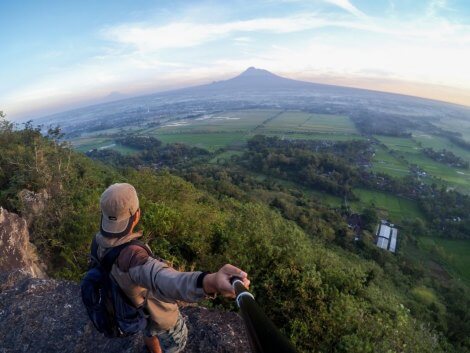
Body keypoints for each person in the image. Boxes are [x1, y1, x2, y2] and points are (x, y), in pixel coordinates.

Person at [93, 183, 250, 353]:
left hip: (134, 310)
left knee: (148, 331)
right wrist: (211, 281)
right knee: (177, 343)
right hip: (159, 316)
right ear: (136, 215)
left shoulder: (97, 243)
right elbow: (165, 279)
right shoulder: (133, 257)